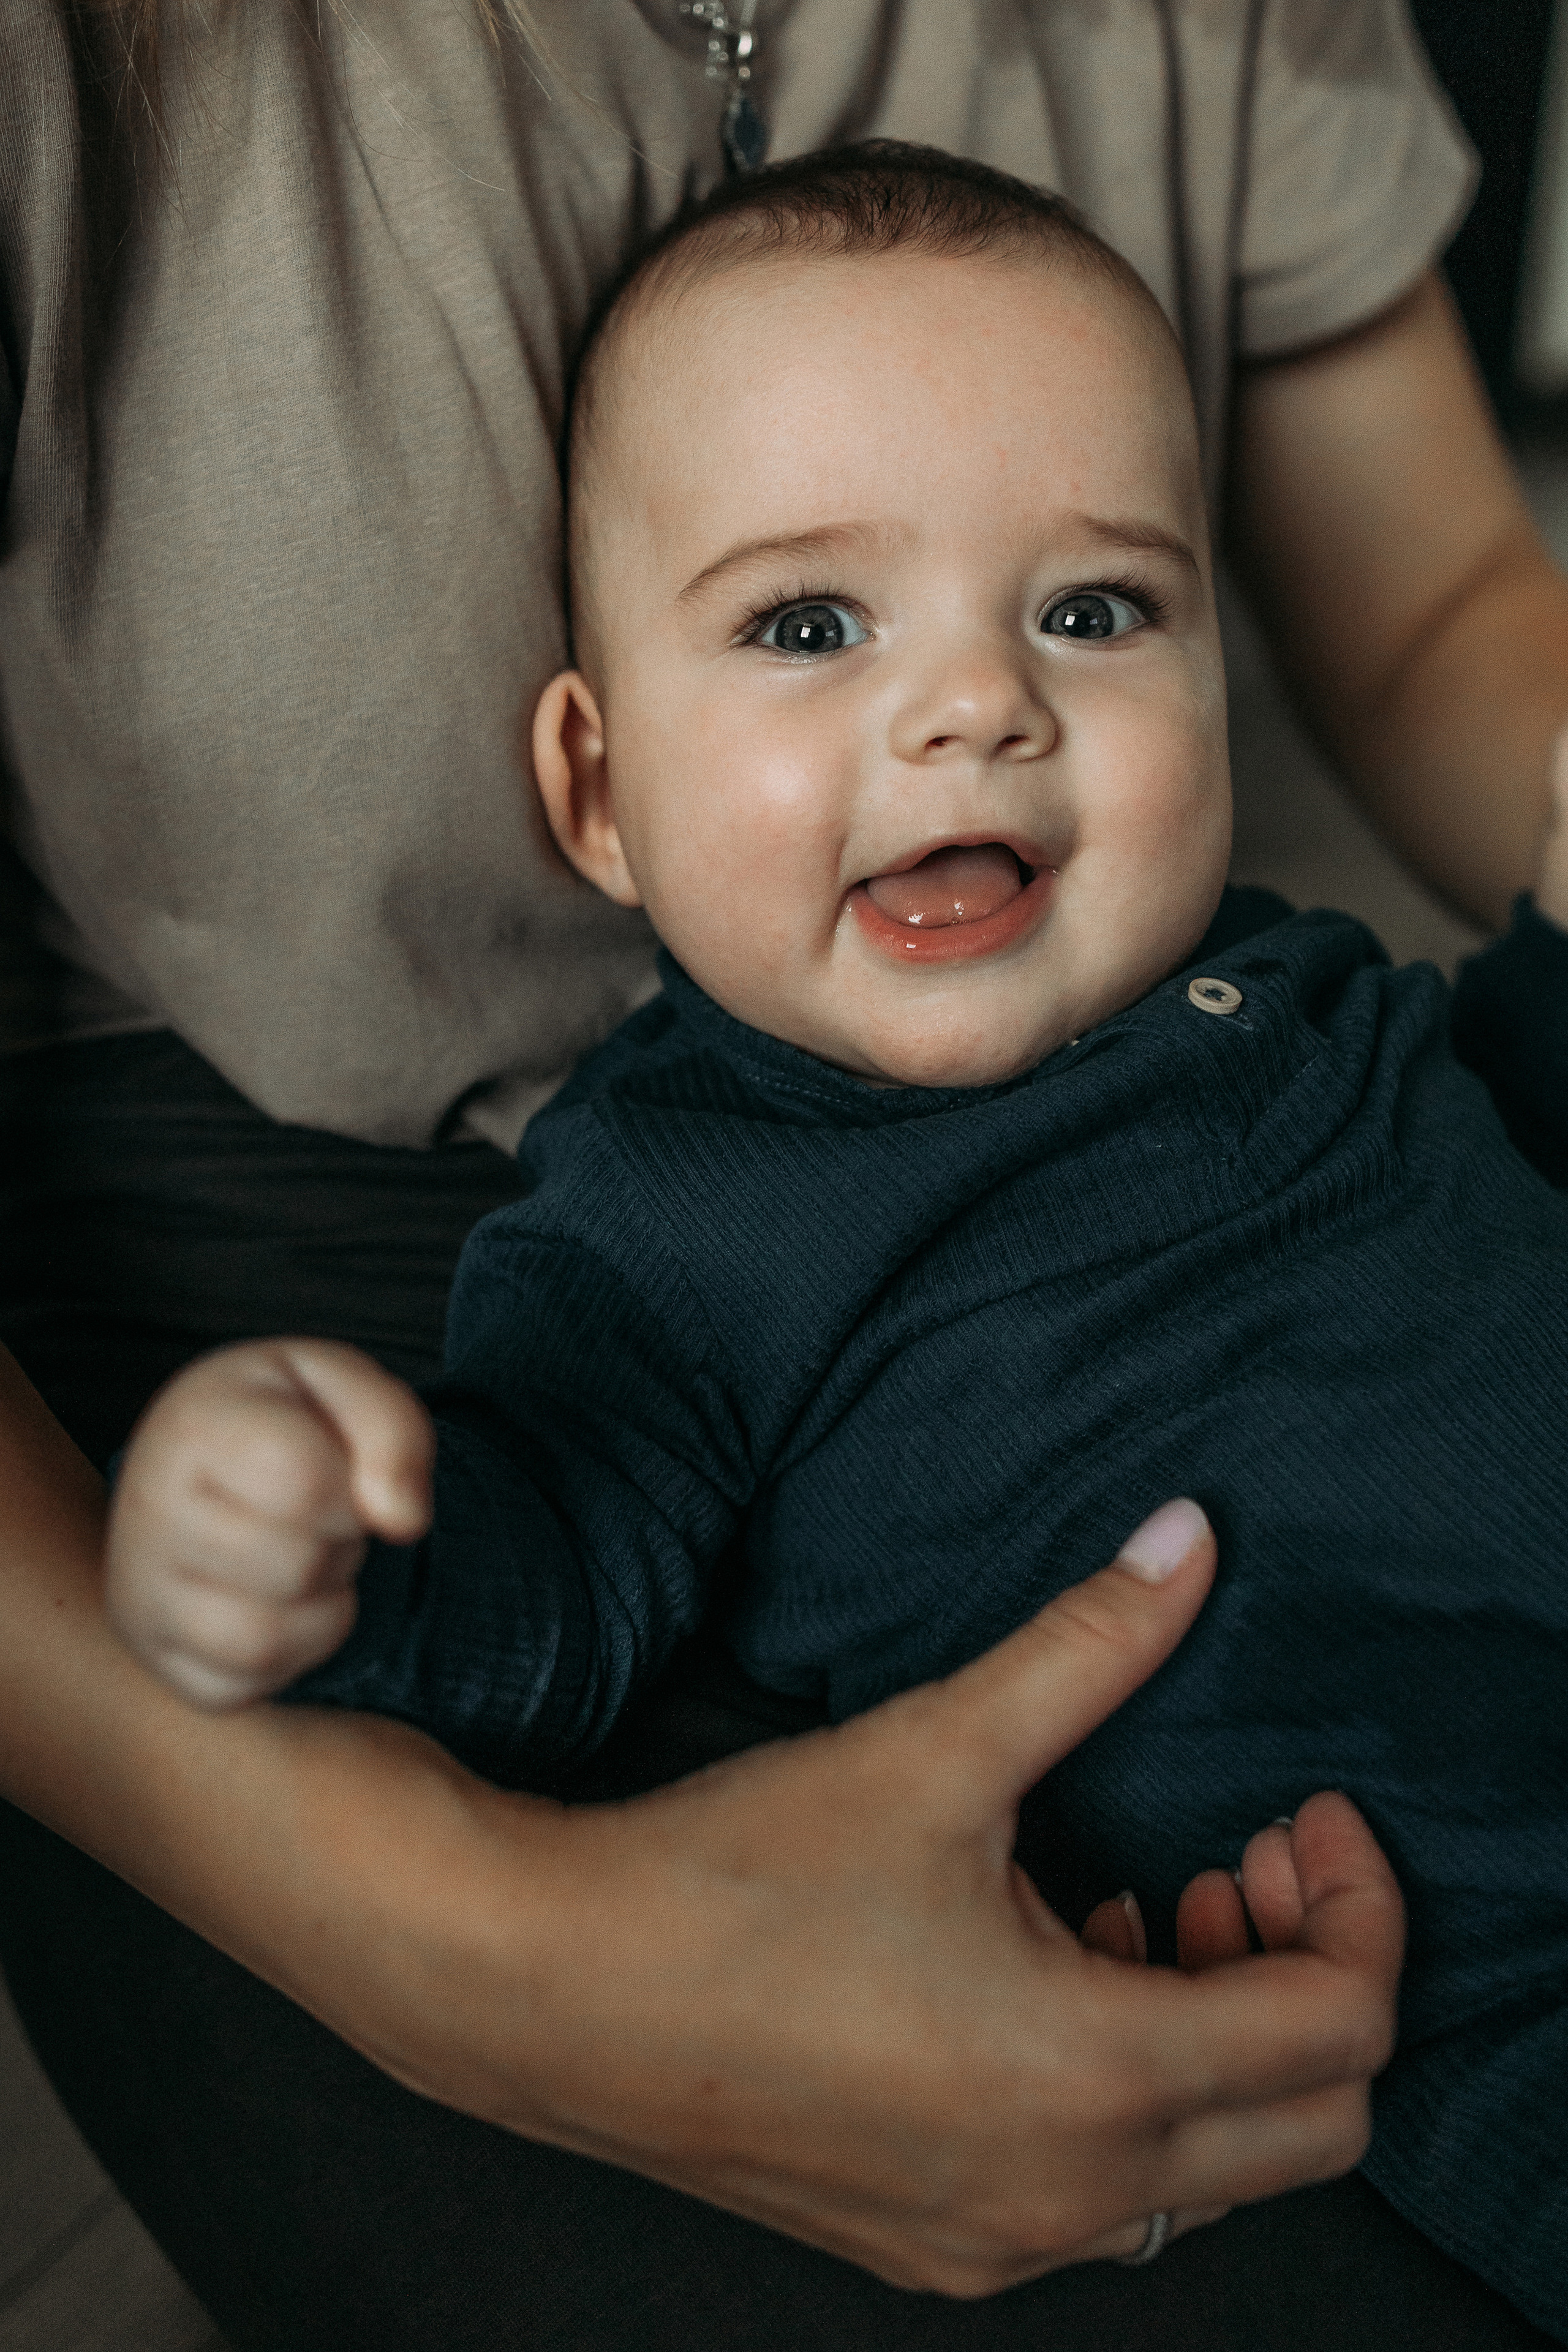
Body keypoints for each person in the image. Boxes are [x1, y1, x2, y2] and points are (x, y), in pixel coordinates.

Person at [0, 5, 1561, 2347]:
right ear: (597, 794)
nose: (975, 704)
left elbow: (1496, 1100)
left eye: (1096, 612)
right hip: (1471, 1943)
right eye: (811, 626)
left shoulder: (1296, 985)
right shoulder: (669, 1221)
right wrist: (315, 1552)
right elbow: (549, 1570)